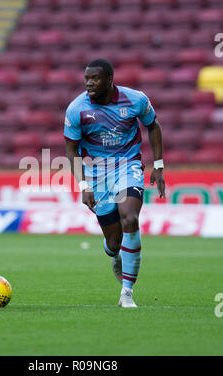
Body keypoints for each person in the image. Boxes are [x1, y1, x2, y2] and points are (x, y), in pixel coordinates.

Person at [64, 59, 166, 308]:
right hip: (97, 174)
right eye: (87, 78)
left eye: (94, 78)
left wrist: (159, 165)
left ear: (109, 79)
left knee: (129, 218)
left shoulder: (135, 100)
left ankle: (127, 293)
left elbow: (152, 125)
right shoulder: (77, 109)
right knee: (113, 243)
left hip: (128, 166)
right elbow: (71, 149)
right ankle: (114, 254)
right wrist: (84, 186)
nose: (89, 83)